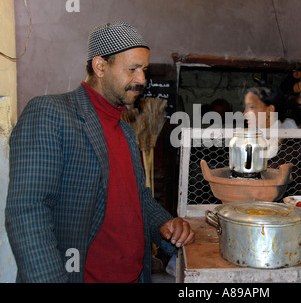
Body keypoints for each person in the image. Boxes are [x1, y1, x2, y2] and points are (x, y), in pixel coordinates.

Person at [5, 21, 194, 283]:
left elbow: (137, 198)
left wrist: (165, 224)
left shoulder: (126, 132)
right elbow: (28, 211)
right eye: (132, 69)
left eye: (144, 70)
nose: (141, 79)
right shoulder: (51, 113)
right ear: (100, 66)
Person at [243, 84, 301, 196]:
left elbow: (300, 192)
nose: (244, 113)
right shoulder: (256, 138)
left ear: (270, 110)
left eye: (252, 107)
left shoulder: (292, 145)